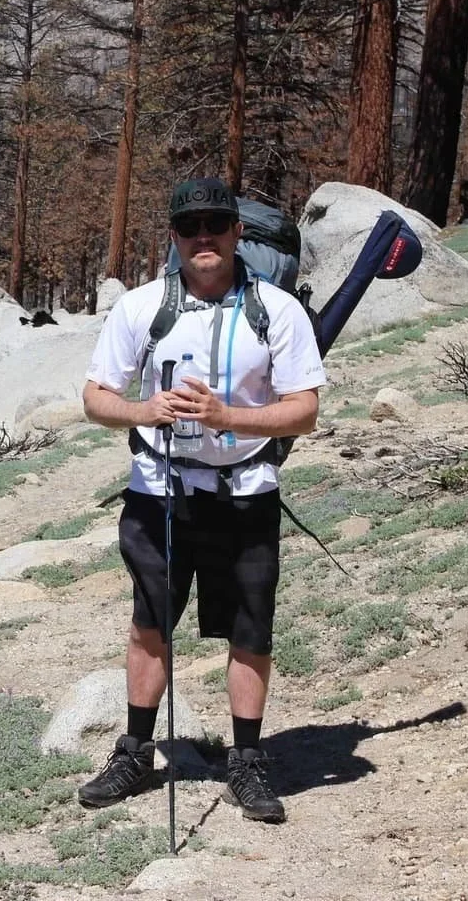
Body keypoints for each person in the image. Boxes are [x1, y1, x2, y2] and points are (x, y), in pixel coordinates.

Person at [77, 176, 326, 823]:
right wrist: (145, 409)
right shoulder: (140, 309)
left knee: (249, 630)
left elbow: (304, 411)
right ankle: (135, 752)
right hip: (159, 492)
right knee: (151, 623)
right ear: (174, 235)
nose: (205, 236)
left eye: (217, 222)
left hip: (246, 492)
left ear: (239, 229)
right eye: (191, 227)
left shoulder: (276, 310)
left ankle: (246, 762)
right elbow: (95, 397)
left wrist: (228, 418)